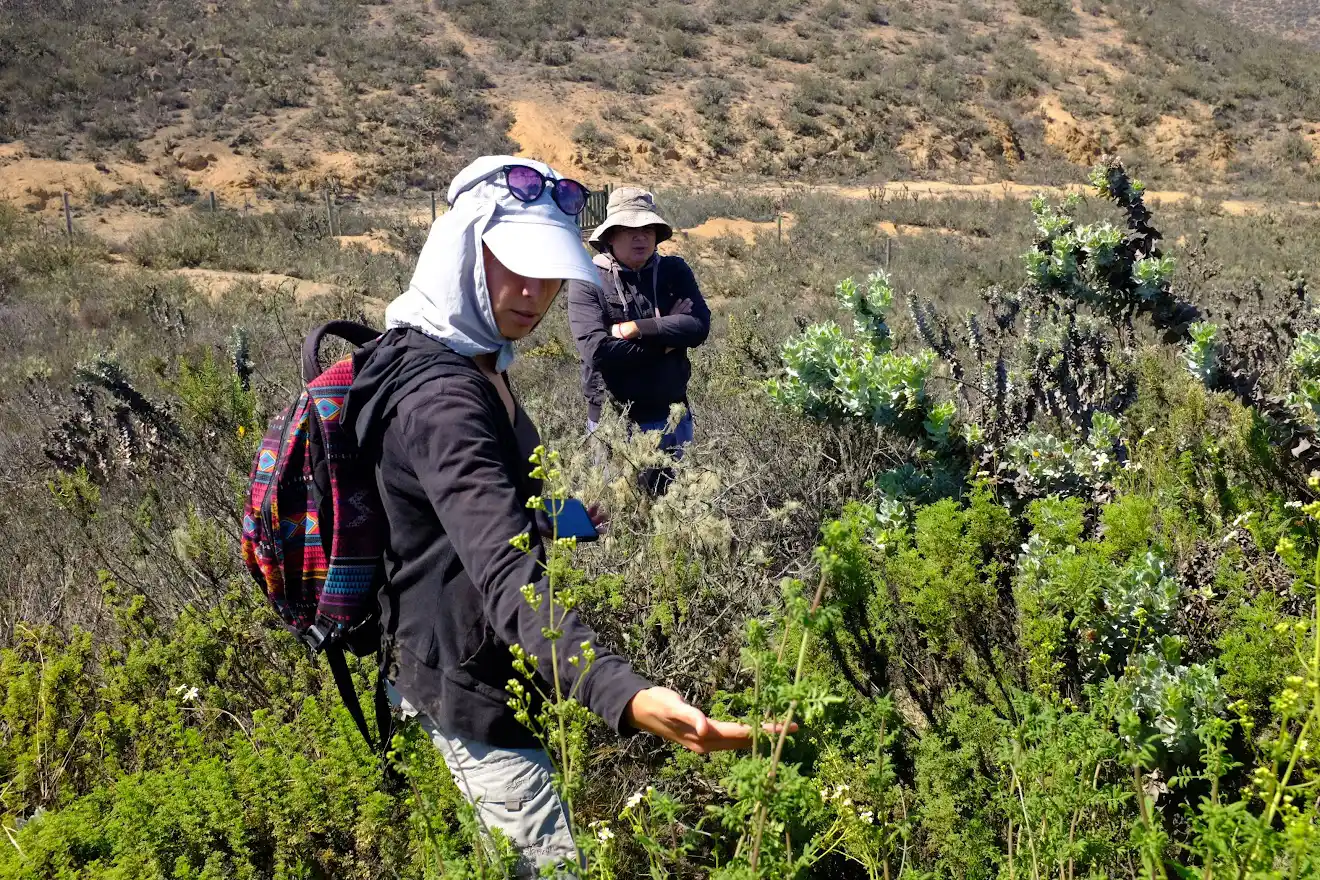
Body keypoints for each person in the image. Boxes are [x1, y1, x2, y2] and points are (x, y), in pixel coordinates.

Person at [341, 157, 763, 878]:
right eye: (514, 267)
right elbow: (502, 572)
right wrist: (622, 694)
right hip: (468, 687)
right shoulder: (443, 398)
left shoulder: (470, 355)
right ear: (463, 252)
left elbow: (467, 509)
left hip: (440, 655)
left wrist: (560, 517)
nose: (534, 293)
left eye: (549, 271)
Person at [567, 188, 711, 491]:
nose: (641, 237)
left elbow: (698, 327)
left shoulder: (674, 271)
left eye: (647, 228)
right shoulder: (587, 280)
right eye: (630, 229)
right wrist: (667, 337)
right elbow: (599, 351)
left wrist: (636, 328)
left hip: (673, 417)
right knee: (621, 515)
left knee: (675, 513)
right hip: (616, 423)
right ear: (610, 236)